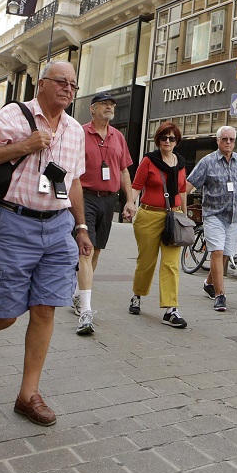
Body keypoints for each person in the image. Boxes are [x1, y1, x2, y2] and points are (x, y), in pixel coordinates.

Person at [0, 61, 93, 427]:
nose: (68, 89)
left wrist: (81, 226)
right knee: (5, 312)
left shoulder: (75, 130)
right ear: (42, 84)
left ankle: (28, 395)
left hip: (58, 226)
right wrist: (24, 146)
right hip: (15, 222)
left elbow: (73, 182)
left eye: (73, 85)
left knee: (46, 309)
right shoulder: (15, 114)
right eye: (61, 82)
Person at [71, 92, 136, 335]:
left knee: (96, 250)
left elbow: (124, 171)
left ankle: (79, 294)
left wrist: (129, 200)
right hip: (84, 197)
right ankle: (86, 309)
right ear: (93, 108)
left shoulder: (118, 136)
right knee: (86, 249)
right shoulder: (80, 133)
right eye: (105, 104)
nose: (109, 108)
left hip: (108, 201)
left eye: (112, 105)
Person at [186, 125, 237, 312]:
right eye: (224, 139)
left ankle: (209, 283)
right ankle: (220, 295)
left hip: (235, 217)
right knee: (217, 252)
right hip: (214, 215)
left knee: (227, 253)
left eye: (231, 140)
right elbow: (189, 183)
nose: (228, 142)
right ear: (217, 141)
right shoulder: (207, 162)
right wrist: (178, 207)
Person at [130, 122, 188, 327]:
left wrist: (185, 217)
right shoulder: (149, 160)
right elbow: (136, 186)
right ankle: (137, 295)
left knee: (171, 264)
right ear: (158, 140)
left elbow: (182, 191)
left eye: (172, 138)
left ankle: (171, 309)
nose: (168, 142)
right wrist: (130, 203)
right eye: (164, 138)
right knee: (146, 262)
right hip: (149, 216)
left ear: (177, 141)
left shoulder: (180, 163)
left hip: (174, 217)